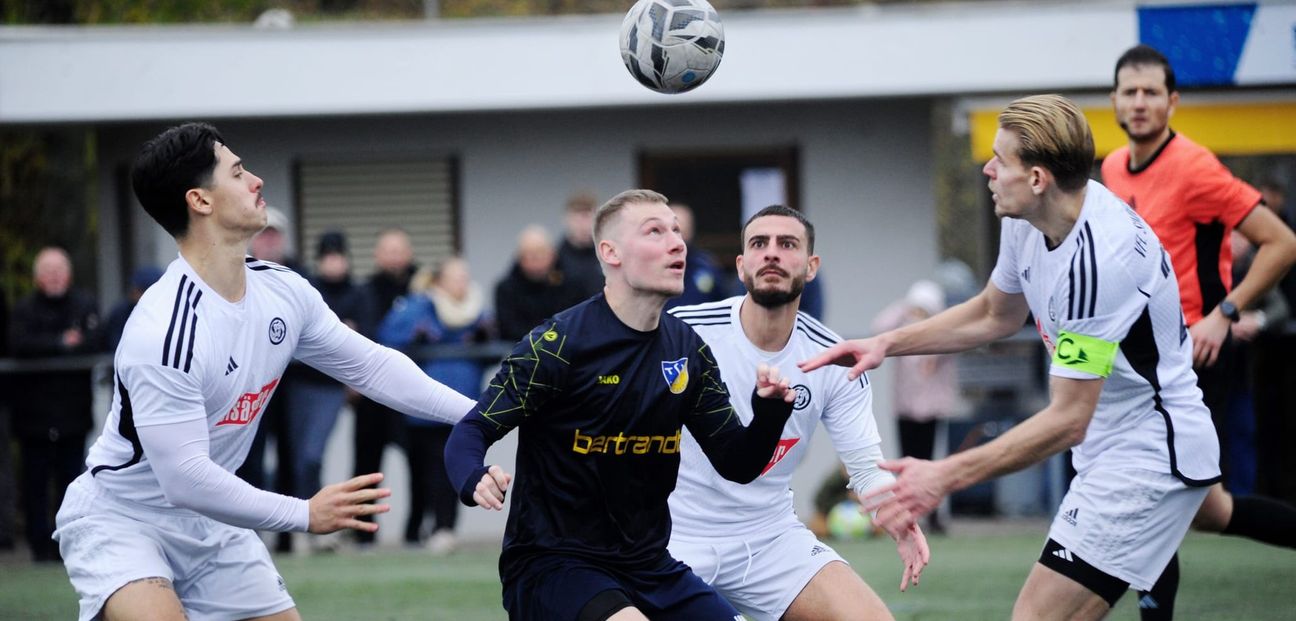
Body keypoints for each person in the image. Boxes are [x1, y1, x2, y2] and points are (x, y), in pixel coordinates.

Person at [803, 95, 1221, 620]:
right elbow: (993, 314)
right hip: (1113, 444)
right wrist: (887, 344)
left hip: (1145, 452)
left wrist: (944, 475)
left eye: (1001, 159)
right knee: (1218, 517)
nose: (988, 168)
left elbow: (1068, 419)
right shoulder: (1027, 217)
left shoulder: (1097, 263)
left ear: (1040, 178)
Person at [52, 123, 475, 621]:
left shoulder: (283, 291)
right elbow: (185, 480)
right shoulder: (164, 331)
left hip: (213, 520)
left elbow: (374, 366)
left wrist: (485, 416)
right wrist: (304, 514)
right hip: (125, 518)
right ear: (200, 201)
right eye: (237, 172)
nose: (256, 181)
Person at [446, 189, 799, 621]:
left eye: (676, 230)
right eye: (655, 231)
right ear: (609, 252)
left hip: (648, 566)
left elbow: (737, 464)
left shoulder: (688, 349)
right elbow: (471, 429)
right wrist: (473, 476)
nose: (676, 242)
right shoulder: (558, 344)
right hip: (552, 565)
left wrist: (769, 414)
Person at [1100, 45, 1296, 618]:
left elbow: (1282, 242)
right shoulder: (1112, 168)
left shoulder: (1196, 168)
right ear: (1114, 101)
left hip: (1196, 356)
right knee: (1213, 511)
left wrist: (1226, 313)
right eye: (1129, 92)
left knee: (1153, 494)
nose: (1139, 103)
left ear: (1172, 101)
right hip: (1140, 361)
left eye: (1150, 93)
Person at [667, 204, 928, 621]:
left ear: (811, 266)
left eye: (787, 244)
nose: (772, 253)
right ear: (741, 266)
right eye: (759, 244)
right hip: (671, 539)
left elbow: (864, 466)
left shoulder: (834, 358)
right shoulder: (682, 330)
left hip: (769, 538)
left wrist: (892, 512)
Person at [378, 256, 492, 554]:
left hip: (461, 406)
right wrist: (415, 334)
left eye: (464, 277)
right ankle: (415, 530)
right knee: (421, 472)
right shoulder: (419, 306)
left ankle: (445, 529)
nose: (461, 284)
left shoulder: (478, 310)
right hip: (422, 409)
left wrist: (486, 337)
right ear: (439, 281)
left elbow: (495, 344)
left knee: (454, 470)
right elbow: (388, 336)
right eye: (455, 277)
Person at [283, 230, 375, 554]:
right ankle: (300, 523)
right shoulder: (308, 288)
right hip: (298, 382)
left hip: (330, 386)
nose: (333, 262)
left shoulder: (357, 292)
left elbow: (365, 336)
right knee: (297, 458)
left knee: (311, 454)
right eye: (328, 256)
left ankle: (313, 524)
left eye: (338, 255)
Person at [10, 246, 103, 562]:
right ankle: (39, 549)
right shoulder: (23, 309)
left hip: (73, 415)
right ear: (37, 277)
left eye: (58, 269)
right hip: (33, 418)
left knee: (72, 485)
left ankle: (70, 546)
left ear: (69, 273)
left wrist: (54, 347)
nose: (53, 276)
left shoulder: (85, 304)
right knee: (35, 486)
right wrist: (61, 343)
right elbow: (19, 345)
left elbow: (93, 341)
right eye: (47, 270)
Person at [870, 279, 958, 535]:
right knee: (906, 464)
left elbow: (947, 345)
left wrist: (935, 318)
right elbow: (879, 327)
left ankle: (934, 515)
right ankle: (908, 515)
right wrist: (904, 307)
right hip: (905, 408)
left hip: (931, 410)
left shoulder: (941, 334)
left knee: (930, 463)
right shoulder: (903, 330)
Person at [237, 206, 301, 553]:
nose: (269, 240)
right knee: (250, 458)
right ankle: (250, 533)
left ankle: (288, 536)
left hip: (291, 386)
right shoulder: (237, 276)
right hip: (251, 384)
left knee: (292, 456)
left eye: (275, 234)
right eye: (264, 234)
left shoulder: (297, 278)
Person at [352, 227, 420, 546]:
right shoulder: (364, 291)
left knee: (420, 459)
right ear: (377, 256)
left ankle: (416, 530)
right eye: (387, 250)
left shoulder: (424, 286)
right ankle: (362, 529)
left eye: (399, 249)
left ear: (409, 253)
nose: (394, 256)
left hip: (413, 389)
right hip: (372, 390)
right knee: (367, 464)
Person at [493, 224, 585, 341]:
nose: (536, 262)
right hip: (522, 351)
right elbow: (508, 329)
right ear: (519, 257)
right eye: (530, 255)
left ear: (552, 254)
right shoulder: (506, 289)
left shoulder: (572, 284)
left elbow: (577, 322)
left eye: (541, 254)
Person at [665, 202, 728, 309]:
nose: (679, 238)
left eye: (683, 229)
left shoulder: (706, 265)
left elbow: (722, 302)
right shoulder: (654, 266)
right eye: (675, 230)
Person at [557, 191, 605, 300]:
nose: (583, 225)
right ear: (566, 219)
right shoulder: (554, 259)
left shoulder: (607, 256)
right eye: (577, 218)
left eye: (587, 217)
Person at [106, 266, 165, 350]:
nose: (133, 294)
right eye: (133, 289)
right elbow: (118, 345)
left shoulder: (167, 311)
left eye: (139, 290)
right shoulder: (122, 312)